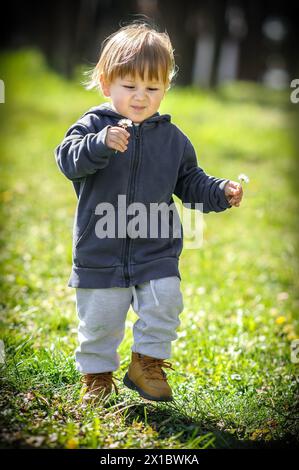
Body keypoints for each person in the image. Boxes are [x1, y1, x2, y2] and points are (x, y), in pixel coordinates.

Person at [54, 22, 243, 405]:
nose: (141, 98)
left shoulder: (172, 139)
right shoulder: (93, 127)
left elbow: (190, 181)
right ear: (107, 85)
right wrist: (100, 143)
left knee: (166, 302)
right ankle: (97, 376)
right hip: (100, 249)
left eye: (152, 89)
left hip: (156, 248)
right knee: (100, 321)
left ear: (165, 89)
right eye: (130, 87)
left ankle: (147, 363)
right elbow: (68, 160)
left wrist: (220, 191)